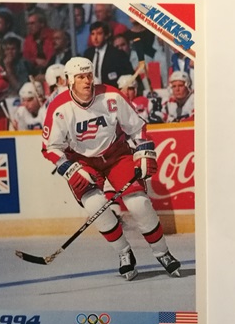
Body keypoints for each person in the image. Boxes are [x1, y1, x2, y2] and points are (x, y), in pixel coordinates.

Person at [41, 57, 181, 280]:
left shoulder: (111, 96)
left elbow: (137, 128)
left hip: (117, 155)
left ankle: (162, 252)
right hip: (83, 161)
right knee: (95, 205)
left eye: (89, 75)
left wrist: (143, 150)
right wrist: (70, 168)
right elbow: (50, 147)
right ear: (69, 80)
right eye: (80, 77)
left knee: (138, 203)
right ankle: (124, 253)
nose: (87, 81)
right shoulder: (59, 107)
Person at [84, 21, 133, 87]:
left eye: (99, 34)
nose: (95, 38)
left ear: (106, 35)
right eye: (92, 34)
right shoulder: (88, 54)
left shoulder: (117, 54)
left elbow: (127, 77)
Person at [22, 9, 55, 74]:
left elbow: (54, 54)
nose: (29, 27)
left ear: (42, 24)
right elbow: (26, 57)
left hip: (52, 69)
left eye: (32, 23)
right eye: (28, 24)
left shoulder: (52, 36)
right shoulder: (28, 40)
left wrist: (47, 63)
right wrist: (35, 60)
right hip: (34, 71)